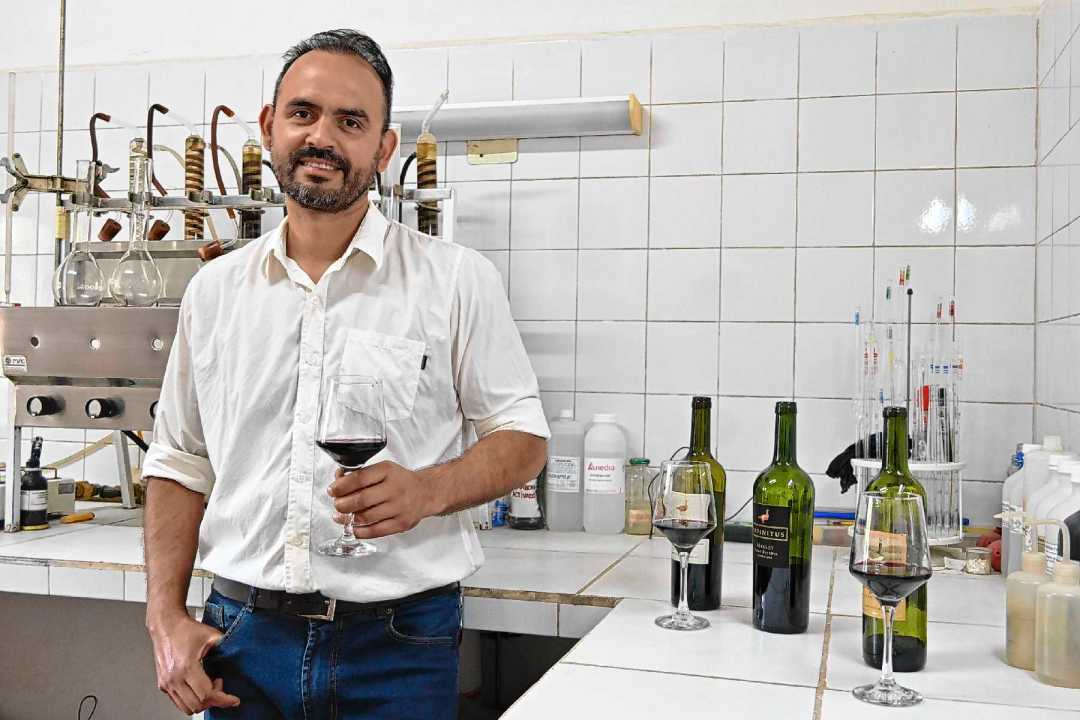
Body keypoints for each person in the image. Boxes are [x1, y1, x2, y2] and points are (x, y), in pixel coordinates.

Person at [141, 29, 549, 719]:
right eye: (302, 113)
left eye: (351, 121)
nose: (321, 137)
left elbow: (523, 438)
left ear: (384, 149)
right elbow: (179, 461)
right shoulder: (213, 292)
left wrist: (428, 490)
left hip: (399, 645)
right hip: (240, 640)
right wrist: (164, 616)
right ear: (269, 127)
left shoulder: (455, 280)